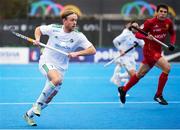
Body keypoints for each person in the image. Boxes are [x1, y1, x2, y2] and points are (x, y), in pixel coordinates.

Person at [23, 10, 96, 126]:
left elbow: (92, 50)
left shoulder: (78, 36)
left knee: (48, 99)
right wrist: (37, 39)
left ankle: (28, 115)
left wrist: (77, 54)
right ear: (64, 21)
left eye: (76, 20)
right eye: (72, 20)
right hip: (46, 61)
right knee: (56, 79)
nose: (75, 23)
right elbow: (38, 29)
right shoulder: (54, 28)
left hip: (61, 68)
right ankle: (37, 104)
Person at [118, 4, 176, 105]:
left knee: (139, 74)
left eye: (165, 12)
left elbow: (173, 33)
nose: (163, 14)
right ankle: (158, 95)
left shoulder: (168, 22)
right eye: (161, 11)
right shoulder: (150, 22)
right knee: (167, 67)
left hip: (157, 50)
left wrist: (172, 43)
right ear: (157, 12)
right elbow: (138, 34)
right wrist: (146, 37)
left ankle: (124, 89)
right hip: (149, 51)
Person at [110, 21, 144, 89]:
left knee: (134, 77)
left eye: (137, 26)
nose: (135, 28)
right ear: (131, 28)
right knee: (133, 75)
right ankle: (123, 89)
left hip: (132, 57)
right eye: (134, 26)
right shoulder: (126, 34)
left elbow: (143, 45)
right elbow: (115, 41)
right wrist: (120, 50)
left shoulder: (139, 36)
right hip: (124, 57)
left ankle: (118, 76)